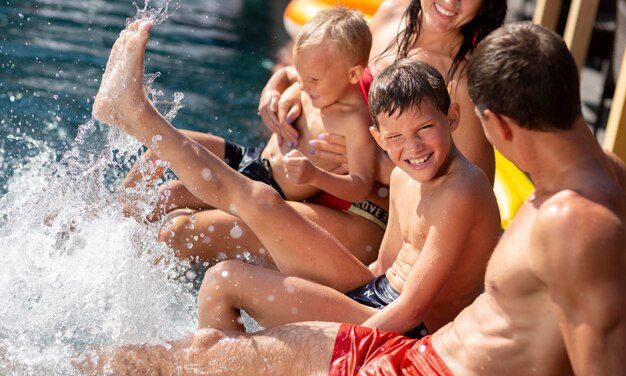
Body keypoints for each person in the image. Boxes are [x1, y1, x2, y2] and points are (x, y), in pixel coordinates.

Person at [76, 21, 626, 376]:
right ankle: (57, 373)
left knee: (221, 355)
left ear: (494, 126)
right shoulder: (595, 185)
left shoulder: (573, 224)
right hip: (410, 358)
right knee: (210, 354)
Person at [195, 58, 501, 335]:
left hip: (415, 336)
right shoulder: (401, 176)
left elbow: (412, 310)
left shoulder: (463, 188)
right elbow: (381, 267)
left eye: (425, 128)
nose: (414, 147)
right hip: (379, 302)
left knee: (226, 283)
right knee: (224, 276)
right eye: (395, 136)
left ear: (453, 118)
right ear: (379, 139)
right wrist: (319, 292)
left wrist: (330, 343)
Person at [122, 7, 384, 265]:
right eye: (302, 75)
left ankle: (137, 259)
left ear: (353, 74)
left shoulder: (353, 123)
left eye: (311, 79)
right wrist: (272, 88)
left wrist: (316, 176)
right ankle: (116, 215)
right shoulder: (322, 82)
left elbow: (360, 186)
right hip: (252, 159)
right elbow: (287, 73)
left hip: (267, 190)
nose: (302, 85)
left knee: (172, 193)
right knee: (162, 148)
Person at [261, 0, 507, 184]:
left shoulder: (462, 81)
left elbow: (472, 187)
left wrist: (373, 166)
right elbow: (343, 70)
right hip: (287, 172)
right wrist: (288, 84)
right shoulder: (391, 12)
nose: (451, 2)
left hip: (360, 204)